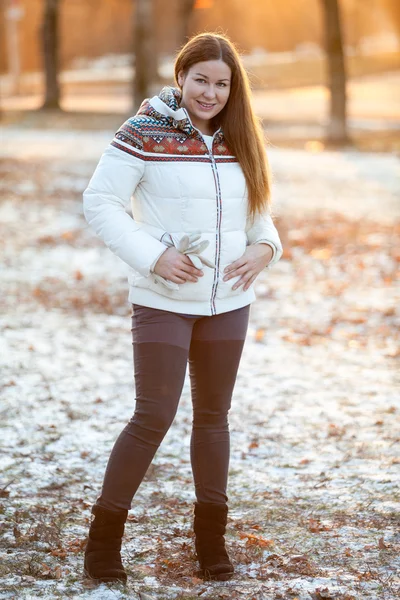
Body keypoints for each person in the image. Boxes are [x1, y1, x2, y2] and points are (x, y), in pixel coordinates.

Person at [82, 32, 283, 584]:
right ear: (181, 77)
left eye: (222, 83)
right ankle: (102, 543)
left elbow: (257, 211)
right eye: (202, 80)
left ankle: (210, 543)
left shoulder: (240, 135)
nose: (211, 93)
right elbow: (99, 201)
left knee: (214, 419)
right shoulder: (144, 131)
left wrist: (266, 247)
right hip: (164, 300)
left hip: (228, 302)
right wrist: (155, 256)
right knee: (154, 415)